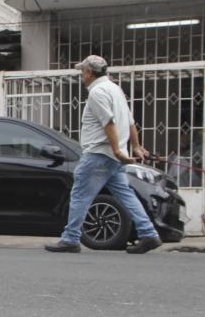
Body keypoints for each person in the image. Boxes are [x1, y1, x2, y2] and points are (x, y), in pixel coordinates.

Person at [44, 55, 163, 255]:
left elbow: (108, 123)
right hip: (114, 157)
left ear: (89, 73)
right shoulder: (116, 90)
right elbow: (131, 122)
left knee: (80, 195)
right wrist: (135, 147)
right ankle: (148, 234)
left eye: (82, 72)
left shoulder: (97, 92)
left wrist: (117, 149)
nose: (82, 76)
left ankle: (70, 238)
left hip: (99, 154)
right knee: (125, 194)